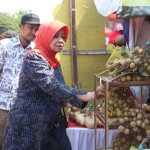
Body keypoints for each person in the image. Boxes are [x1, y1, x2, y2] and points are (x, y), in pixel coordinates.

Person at [2, 20, 105, 150]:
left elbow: (57, 93)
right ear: (45, 36)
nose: (61, 40)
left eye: (63, 36)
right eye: (55, 36)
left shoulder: (53, 61)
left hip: (46, 127)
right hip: (27, 127)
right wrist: (89, 95)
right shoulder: (34, 58)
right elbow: (53, 86)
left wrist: (88, 98)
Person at [0, 13, 40, 149]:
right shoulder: (4, 46)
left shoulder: (37, 51)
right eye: (30, 28)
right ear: (20, 26)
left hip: (26, 109)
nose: (33, 32)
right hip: (4, 106)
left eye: (36, 29)